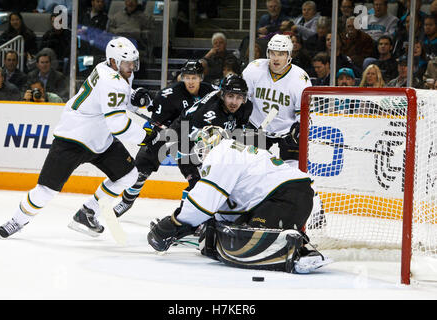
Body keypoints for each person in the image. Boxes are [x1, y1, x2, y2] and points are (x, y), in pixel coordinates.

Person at [0, 37, 157, 239]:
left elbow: (113, 100)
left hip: (99, 138)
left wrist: (134, 98)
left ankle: (87, 213)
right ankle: (16, 220)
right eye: (127, 63)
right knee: (46, 190)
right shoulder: (112, 80)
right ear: (114, 61)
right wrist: (146, 136)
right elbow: (118, 125)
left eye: (133, 62)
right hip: (73, 138)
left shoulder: (108, 68)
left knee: (128, 176)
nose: (132, 67)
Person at [147, 126, 332, 274]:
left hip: (286, 195)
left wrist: (173, 223)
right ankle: (292, 243)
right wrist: (185, 230)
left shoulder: (223, 151)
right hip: (286, 196)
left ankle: (302, 251)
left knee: (238, 246)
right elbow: (222, 216)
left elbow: (203, 203)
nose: (202, 155)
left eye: (203, 148)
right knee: (222, 233)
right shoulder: (239, 154)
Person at [113, 73, 252, 217]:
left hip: (200, 135)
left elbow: (239, 129)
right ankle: (127, 200)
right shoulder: (207, 114)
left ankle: (182, 219)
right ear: (222, 95)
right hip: (180, 133)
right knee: (143, 165)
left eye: (239, 97)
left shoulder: (246, 106)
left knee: (199, 184)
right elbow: (187, 141)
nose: (234, 102)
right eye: (230, 96)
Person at [242, 34, 312, 164]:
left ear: (289, 55)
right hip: (258, 126)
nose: (276, 58)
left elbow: (304, 114)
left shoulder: (300, 79)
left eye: (281, 54)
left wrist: (299, 129)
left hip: (287, 132)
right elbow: (242, 100)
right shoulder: (254, 69)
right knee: (248, 166)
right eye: (273, 53)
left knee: (292, 171)